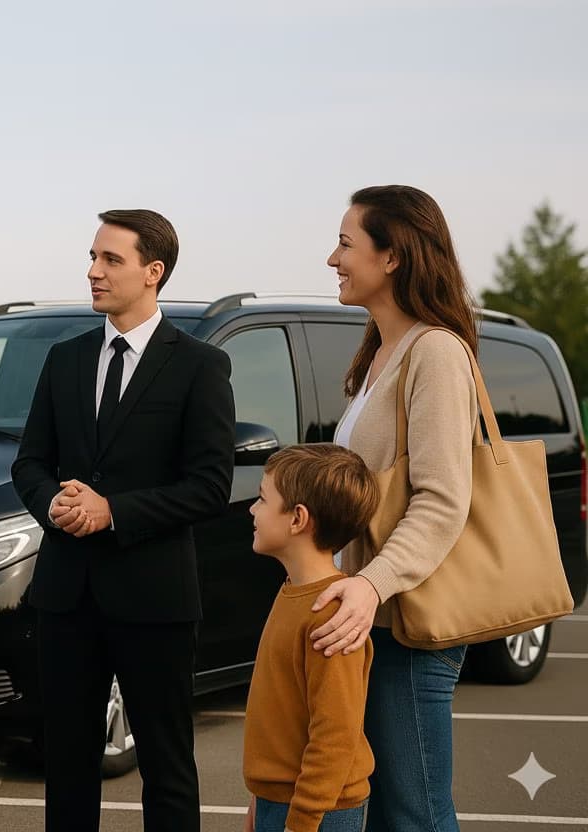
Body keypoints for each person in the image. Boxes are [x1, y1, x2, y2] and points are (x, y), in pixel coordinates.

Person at [12, 209, 236, 831]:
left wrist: (112, 512)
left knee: (167, 767)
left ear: (152, 271)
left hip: (155, 600)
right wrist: (52, 504)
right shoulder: (65, 359)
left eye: (111, 259)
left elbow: (210, 487)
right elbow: (30, 463)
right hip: (66, 597)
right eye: (93, 257)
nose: (94, 271)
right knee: (67, 764)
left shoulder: (199, 366)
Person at [312, 185, 478, 830]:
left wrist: (371, 585)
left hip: (406, 622)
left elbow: (441, 501)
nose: (333, 259)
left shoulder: (435, 352)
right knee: (383, 813)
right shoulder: (378, 354)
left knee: (415, 816)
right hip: (369, 620)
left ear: (393, 256)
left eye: (346, 244)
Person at [243, 444, 380, 832]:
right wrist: (259, 799)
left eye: (262, 499)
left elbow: (335, 735)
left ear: (297, 519)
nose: (252, 509)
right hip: (280, 800)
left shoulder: (331, 615)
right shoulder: (292, 591)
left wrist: (301, 821)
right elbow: (284, 719)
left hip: (318, 812)